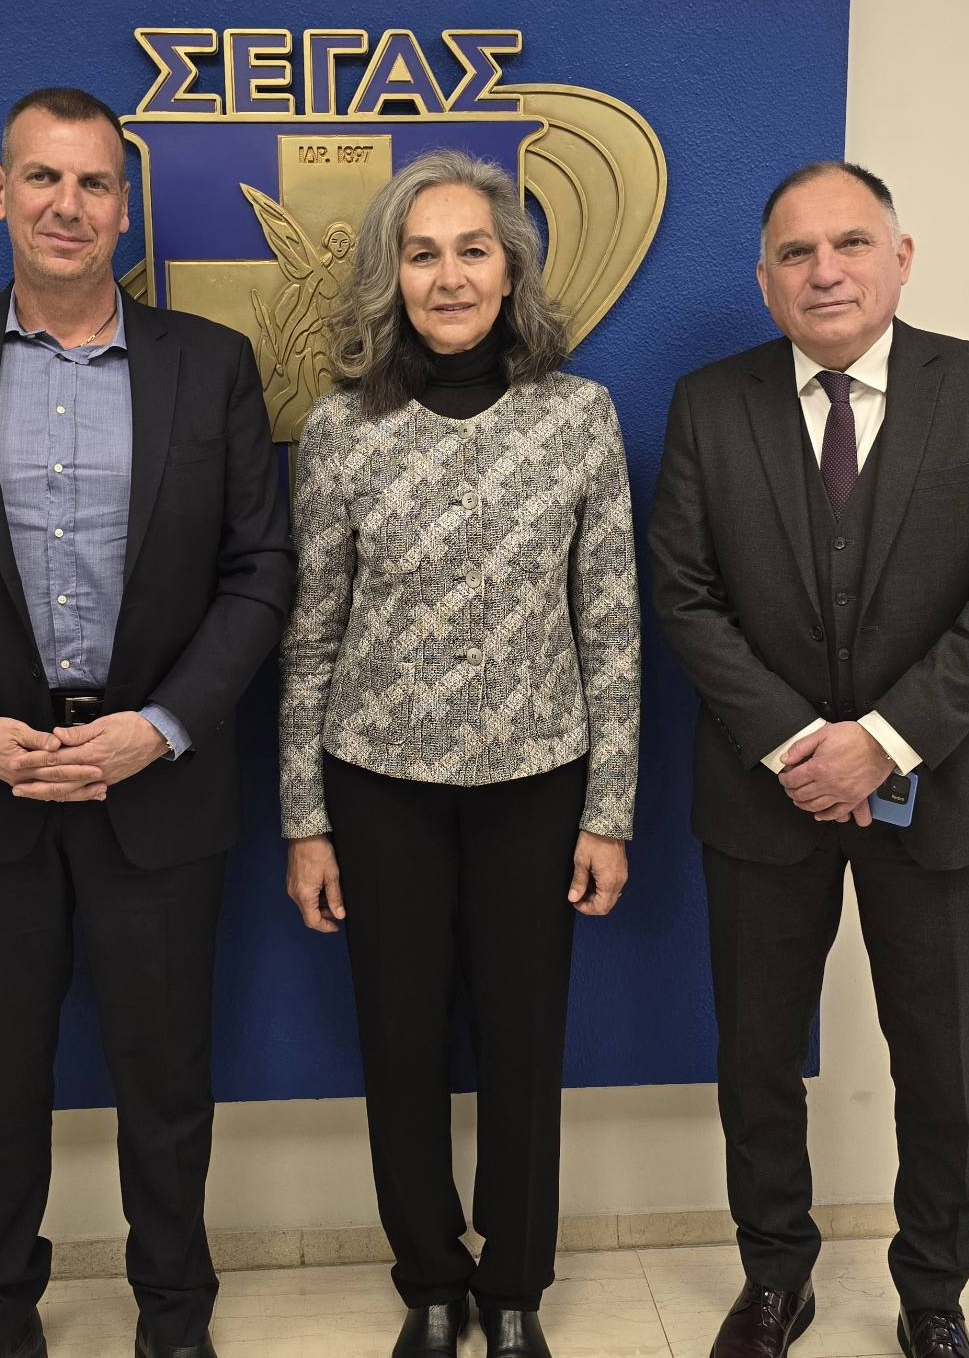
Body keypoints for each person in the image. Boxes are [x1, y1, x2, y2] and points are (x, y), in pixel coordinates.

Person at [0, 87, 294, 1358]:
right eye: (42, 177)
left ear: (124, 209)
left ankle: (175, 1320)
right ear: (1, 193)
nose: (66, 205)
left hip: (156, 781)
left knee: (166, 1082)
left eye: (93, 183)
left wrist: (164, 724)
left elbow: (261, 569)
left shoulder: (210, 363)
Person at [648, 161, 969, 1358]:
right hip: (761, 790)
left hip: (949, 792)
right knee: (755, 1058)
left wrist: (879, 744)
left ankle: (933, 1291)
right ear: (764, 280)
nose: (823, 270)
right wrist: (797, 744)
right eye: (795, 252)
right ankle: (775, 1278)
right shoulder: (708, 404)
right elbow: (684, 594)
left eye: (850, 243)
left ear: (900, 257)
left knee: (942, 1064)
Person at [279, 149, 641, 1358]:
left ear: (511, 269)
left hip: (538, 783)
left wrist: (609, 810)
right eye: (421, 253)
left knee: (526, 1043)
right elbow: (310, 634)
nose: (448, 276)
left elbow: (612, 626)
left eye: (472, 250)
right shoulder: (340, 430)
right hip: (377, 786)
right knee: (399, 1041)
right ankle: (430, 1281)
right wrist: (304, 818)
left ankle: (516, 1286)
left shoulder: (579, 416)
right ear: (391, 275)